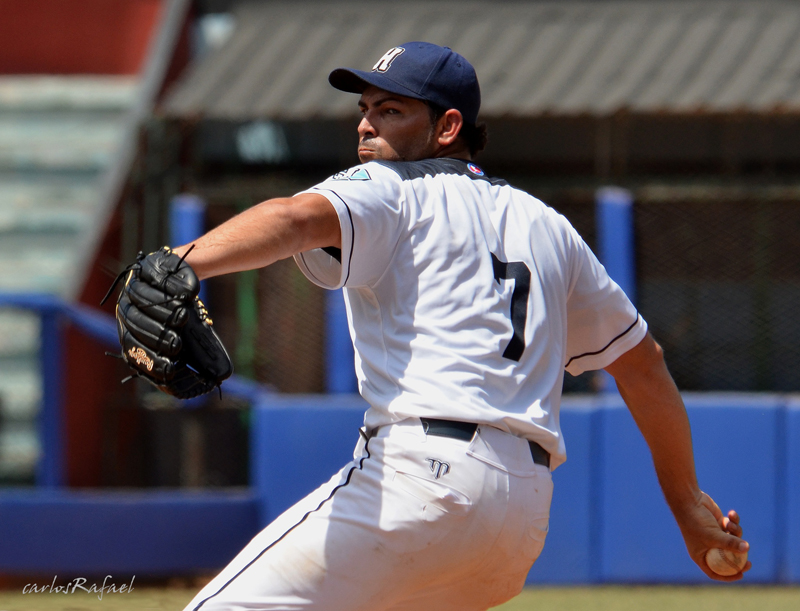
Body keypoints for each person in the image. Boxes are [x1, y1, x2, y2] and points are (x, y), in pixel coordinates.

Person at [178, 42, 749, 611]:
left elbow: (291, 219)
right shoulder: (548, 224)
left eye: (391, 111)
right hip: (521, 519)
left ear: (448, 125)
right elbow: (644, 364)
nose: (366, 127)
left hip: (422, 482)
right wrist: (686, 506)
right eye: (364, 109)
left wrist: (175, 263)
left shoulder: (389, 187)